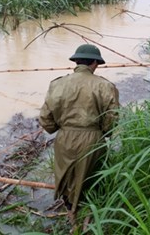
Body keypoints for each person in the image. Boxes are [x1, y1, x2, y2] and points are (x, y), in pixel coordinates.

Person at [39, 44, 120, 222]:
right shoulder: (105, 86)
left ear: (76, 62)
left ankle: (72, 219)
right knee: (91, 180)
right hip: (93, 139)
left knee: (67, 180)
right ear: (94, 63)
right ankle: (88, 221)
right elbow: (112, 117)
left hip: (64, 139)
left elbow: (45, 118)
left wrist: (58, 129)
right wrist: (104, 134)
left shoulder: (57, 84)